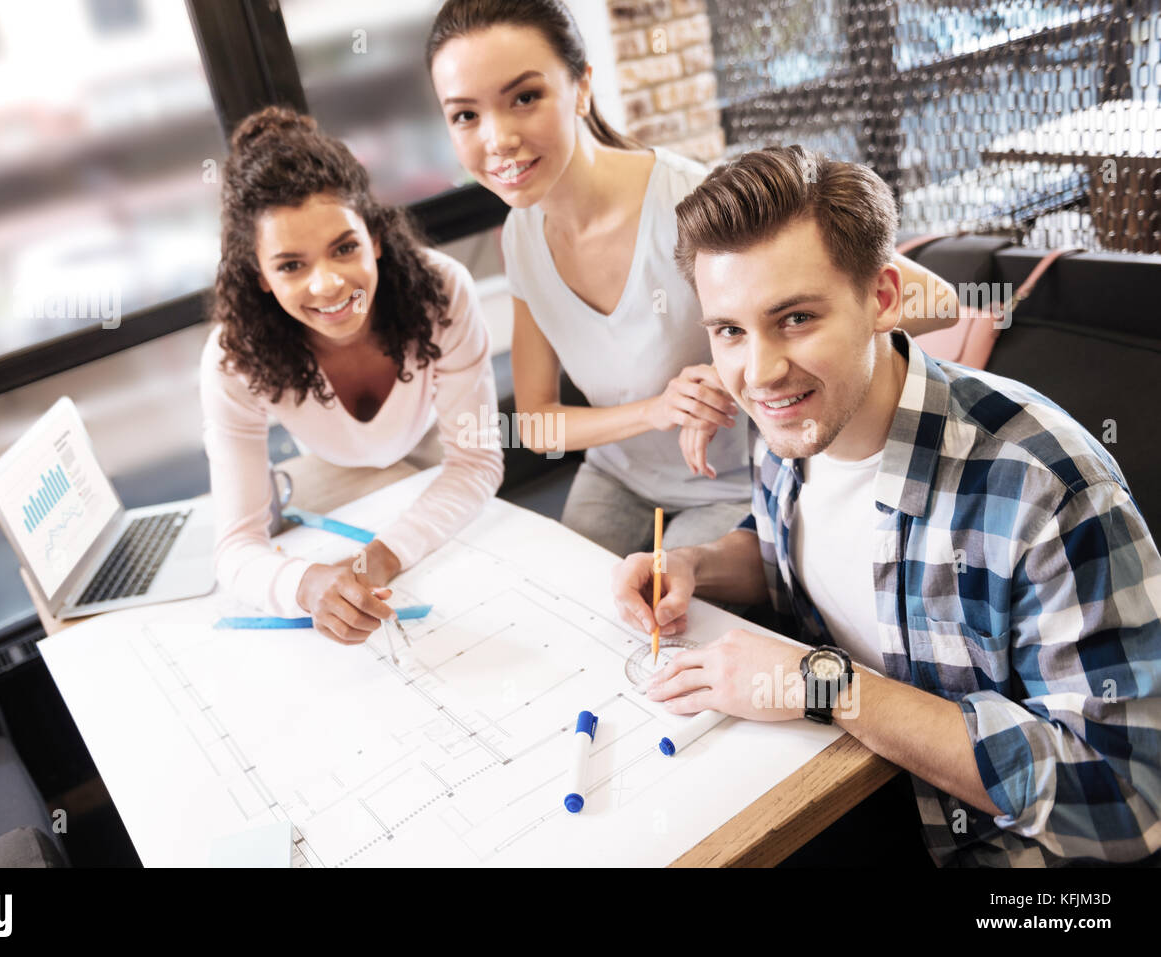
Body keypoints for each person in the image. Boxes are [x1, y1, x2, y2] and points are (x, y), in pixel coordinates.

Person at [611, 144, 1161, 865]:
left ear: (883, 297)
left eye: (798, 317)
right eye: (730, 331)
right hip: (844, 790)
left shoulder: (1047, 487)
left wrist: (825, 687)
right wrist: (695, 564)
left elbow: (1129, 799)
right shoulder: (785, 419)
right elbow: (792, 552)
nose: (761, 369)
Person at [426, 0, 959, 557]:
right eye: (466, 115)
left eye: (525, 97)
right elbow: (536, 424)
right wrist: (657, 410)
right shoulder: (519, 235)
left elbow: (939, 300)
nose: (499, 139)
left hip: (731, 489)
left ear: (582, 87)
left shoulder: (688, 201)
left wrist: (732, 367)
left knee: (663, 615)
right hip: (617, 479)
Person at [201, 107, 503, 644]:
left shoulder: (444, 290)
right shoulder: (233, 357)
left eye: (345, 248)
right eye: (291, 265)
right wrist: (304, 585)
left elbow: (475, 461)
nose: (328, 286)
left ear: (377, 237)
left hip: (429, 444)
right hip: (335, 471)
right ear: (262, 277)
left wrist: (376, 562)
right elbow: (236, 545)